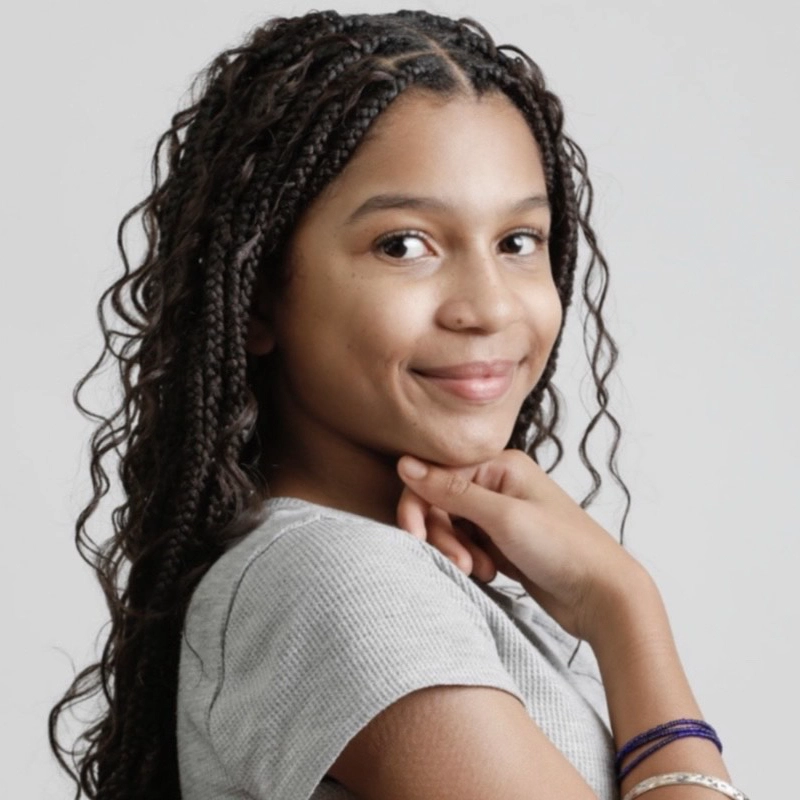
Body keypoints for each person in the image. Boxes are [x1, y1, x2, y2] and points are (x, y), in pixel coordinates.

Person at [48, 9, 748, 800]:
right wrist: (624, 609)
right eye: (404, 244)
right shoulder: (337, 581)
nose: (488, 306)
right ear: (259, 298)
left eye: (518, 241)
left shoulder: (390, 577)